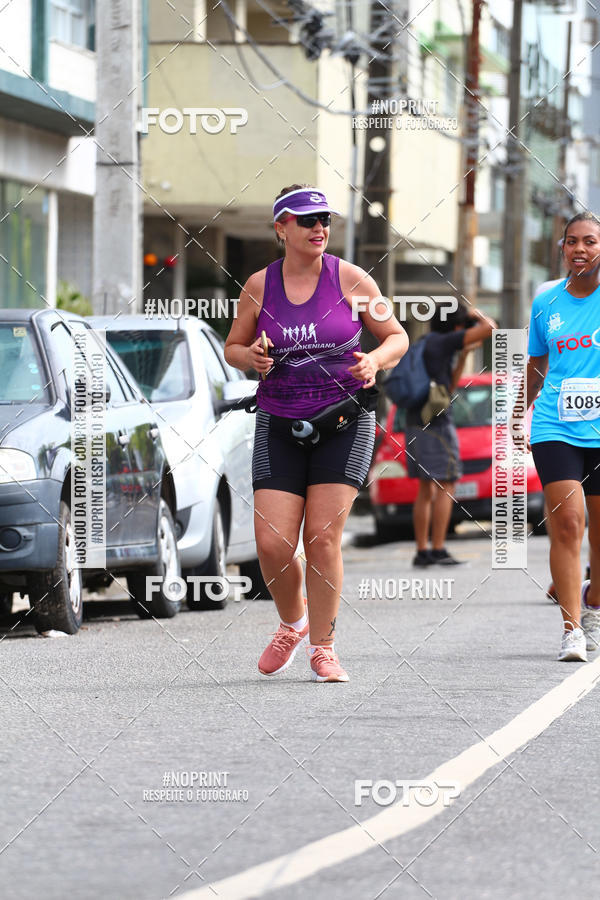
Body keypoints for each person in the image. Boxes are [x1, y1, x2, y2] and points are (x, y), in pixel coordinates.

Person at [224, 184, 407, 682]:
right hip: (279, 421)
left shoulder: (351, 278)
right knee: (272, 544)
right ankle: (292, 622)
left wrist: (375, 359)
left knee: (323, 539)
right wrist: (251, 357)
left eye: (324, 219)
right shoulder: (260, 286)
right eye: (306, 221)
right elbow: (233, 347)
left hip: (343, 421)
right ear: (281, 227)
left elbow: (397, 336)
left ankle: (324, 648)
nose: (319, 228)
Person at [524, 210, 600, 661]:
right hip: (556, 426)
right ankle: (573, 629)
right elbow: (536, 364)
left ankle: (592, 600)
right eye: (572, 242)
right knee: (568, 523)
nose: (579, 250)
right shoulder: (546, 301)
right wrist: (519, 412)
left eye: (589, 241)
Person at [406, 302, 497, 567]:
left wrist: (463, 357)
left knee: (426, 488)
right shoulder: (445, 341)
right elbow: (490, 328)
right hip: (435, 423)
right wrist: (474, 312)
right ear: (456, 325)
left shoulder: (426, 342)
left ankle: (423, 551)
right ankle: (437, 548)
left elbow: (448, 387)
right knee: (447, 483)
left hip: (416, 420)